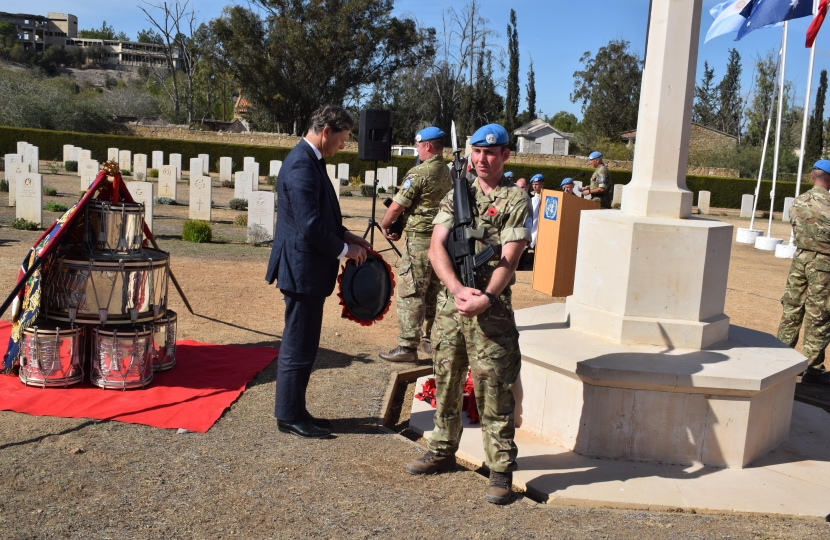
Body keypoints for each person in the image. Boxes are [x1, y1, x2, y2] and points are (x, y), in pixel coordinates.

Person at [405, 124, 531, 505]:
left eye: (491, 153)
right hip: (450, 307)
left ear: (505, 155)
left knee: (494, 388)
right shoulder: (455, 194)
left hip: (490, 311)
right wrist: (458, 290)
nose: (482, 159)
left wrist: (486, 297)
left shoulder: (515, 199)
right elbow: (436, 248)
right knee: (446, 377)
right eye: (477, 152)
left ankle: (500, 469)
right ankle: (442, 448)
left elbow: (511, 257)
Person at [265, 105, 371, 439]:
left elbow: (320, 217)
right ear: (326, 131)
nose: (343, 145)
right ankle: (289, 415)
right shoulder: (300, 164)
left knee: (306, 344)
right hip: (301, 269)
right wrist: (345, 251)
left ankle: (296, 409)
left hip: (308, 268)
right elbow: (309, 225)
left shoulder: (310, 160)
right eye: (342, 138)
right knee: (298, 344)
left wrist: (346, 234)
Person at [379, 127, 452, 362]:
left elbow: (398, 205)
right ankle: (430, 341)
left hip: (420, 240)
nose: (417, 149)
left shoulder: (420, 172)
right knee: (434, 291)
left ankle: (407, 347)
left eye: (418, 145)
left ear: (427, 146)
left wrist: (385, 224)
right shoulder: (448, 171)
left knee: (411, 292)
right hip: (442, 240)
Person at [778, 159, 830, 386]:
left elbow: (795, 227)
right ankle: (813, 369)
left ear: (812, 176)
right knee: (818, 314)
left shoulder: (798, 202)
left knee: (792, 308)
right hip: (825, 265)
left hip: (800, 260)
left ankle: (781, 360)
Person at [529, 174, 544, 249]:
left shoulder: (546, 196)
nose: (534, 186)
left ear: (542, 184)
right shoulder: (530, 196)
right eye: (533, 184)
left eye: (537, 184)